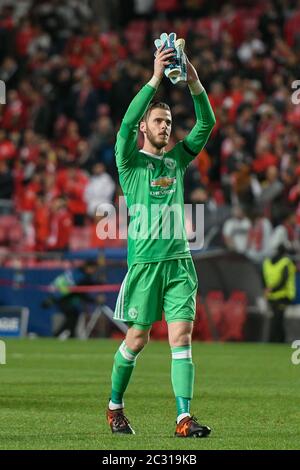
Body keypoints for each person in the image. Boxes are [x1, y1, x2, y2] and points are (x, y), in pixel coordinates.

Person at [106, 43, 216, 437]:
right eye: (158, 120)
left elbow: (206, 125)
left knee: (181, 336)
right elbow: (122, 126)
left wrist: (195, 81)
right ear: (144, 127)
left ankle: (183, 419)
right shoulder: (129, 162)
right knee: (137, 338)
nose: (165, 126)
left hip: (179, 264)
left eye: (168, 121)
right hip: (145, 265)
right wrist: (155, 78)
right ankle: (115, 406)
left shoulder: (177, 160)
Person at [42, 260, 104, 338]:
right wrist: (94, 300)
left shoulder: (76, 272)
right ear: (89, 267)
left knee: (73, 315)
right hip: (61, 297)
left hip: (58, 295)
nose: (94, 271)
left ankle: (69, 335)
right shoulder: (81, 277)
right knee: (72, 315)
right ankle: (60, 335)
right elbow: (80, 293)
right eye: (94, 269)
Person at [262, 244, 296, 343]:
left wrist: (267, 289)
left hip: (271, 296)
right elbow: (284, 280)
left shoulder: (266, 262)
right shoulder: (286, 262)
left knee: (276, 319)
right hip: (283, 296)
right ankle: (276, 341)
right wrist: (273, 290)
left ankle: (275, 341)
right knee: (277, 320)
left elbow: (263, 278)